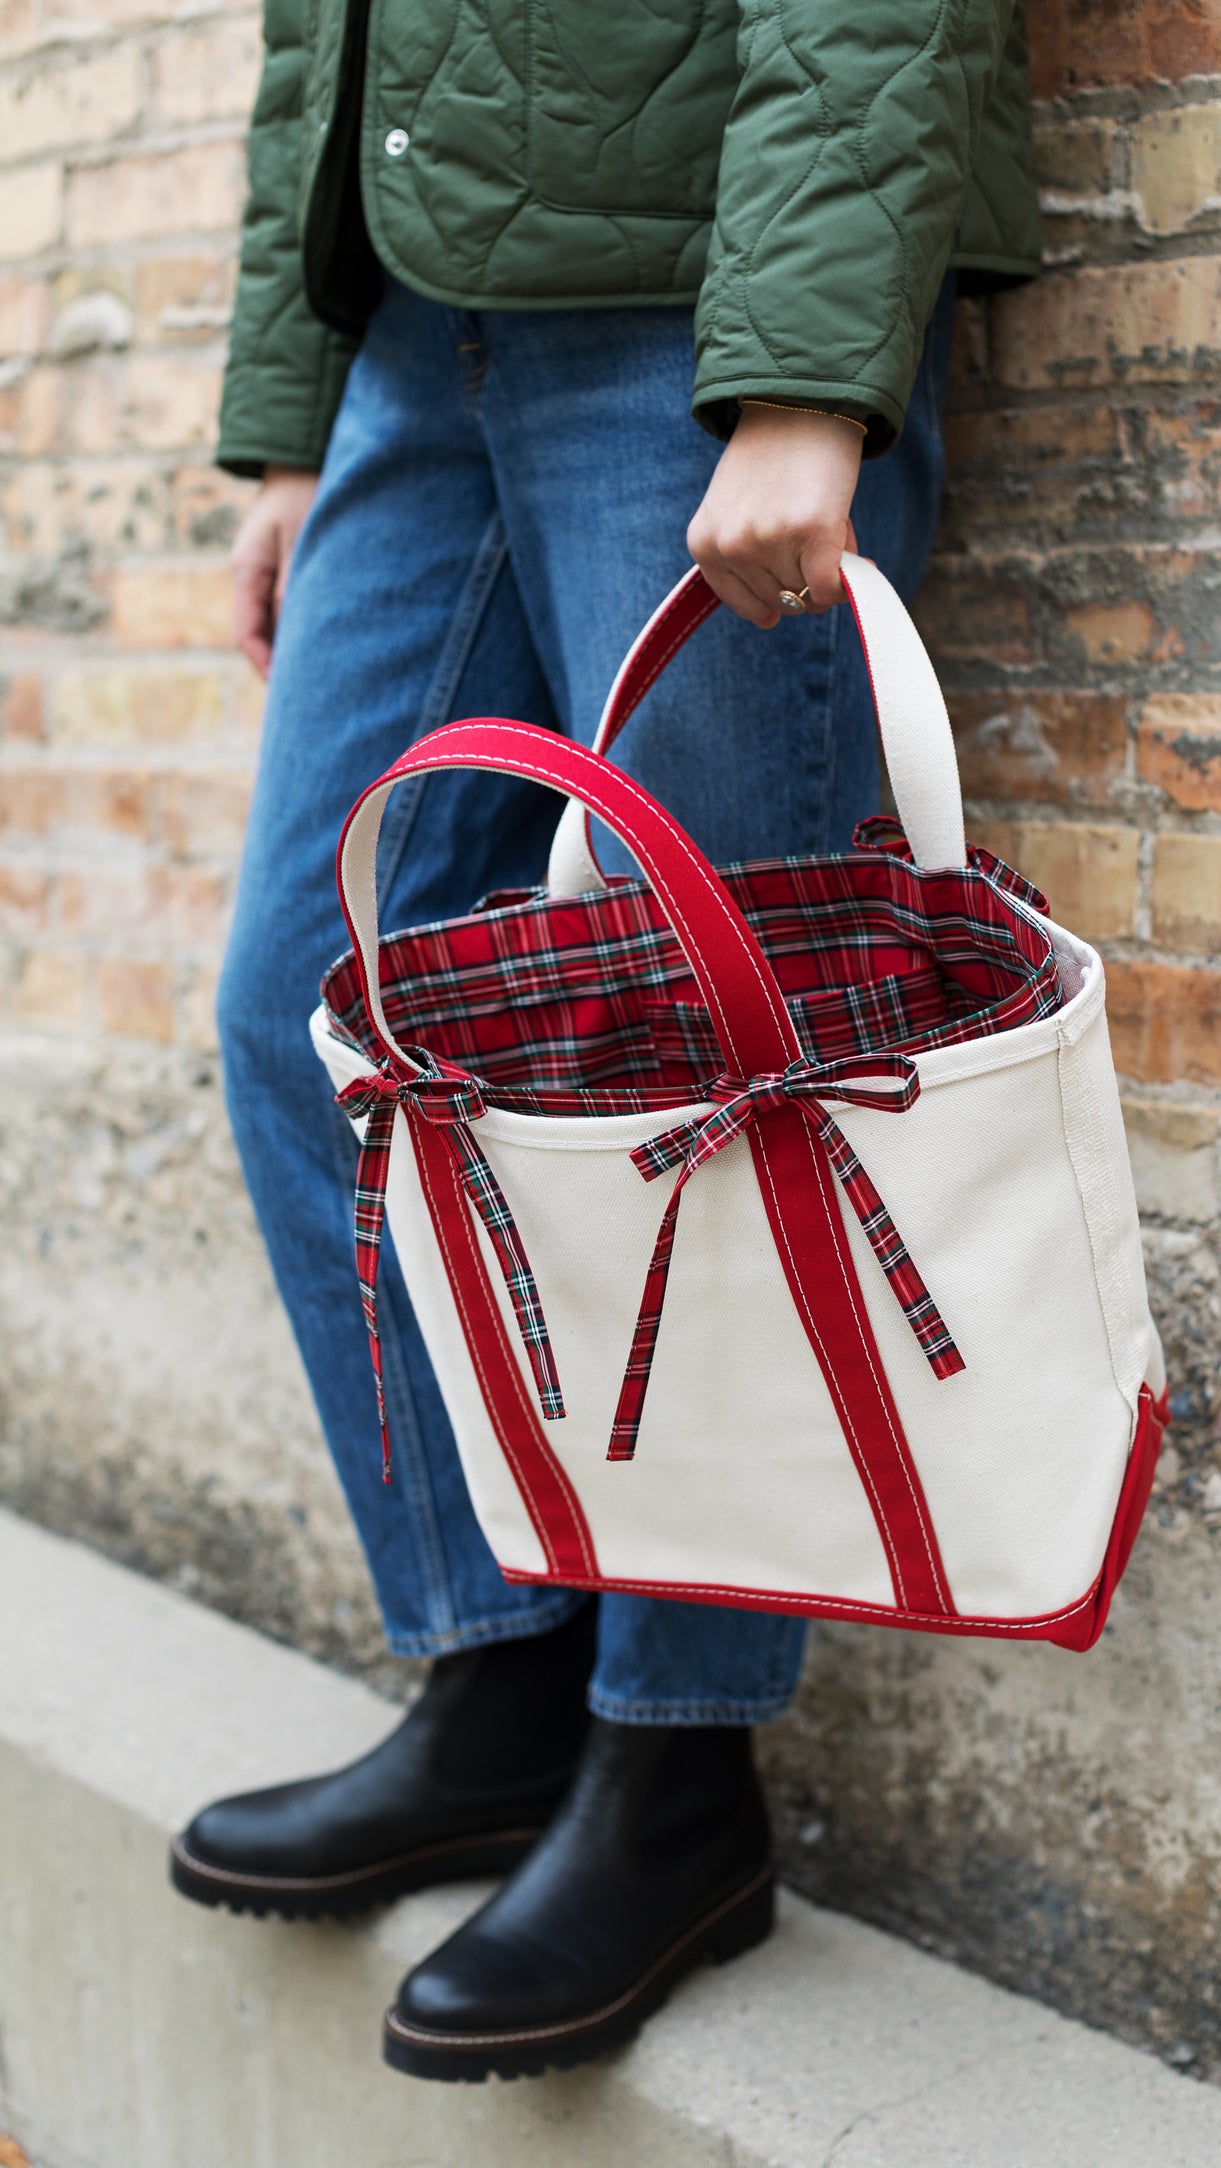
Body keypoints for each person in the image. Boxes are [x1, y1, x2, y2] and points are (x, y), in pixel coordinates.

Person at [169, 0, 1040, 2082]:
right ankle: (502, 1678)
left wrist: (816, 368)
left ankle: (675, 1767)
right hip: (415, 334)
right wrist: (298, 416)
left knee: (705, 1063)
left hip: (693, 304)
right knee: (313, 1012)